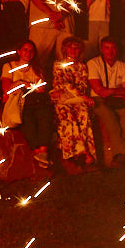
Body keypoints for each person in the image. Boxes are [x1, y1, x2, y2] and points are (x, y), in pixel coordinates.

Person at [1, 40, 54, 169]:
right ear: (19, 51)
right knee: (27, 117)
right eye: (25, 49)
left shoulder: (36, 68)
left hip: (36, 100)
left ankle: (42, 151)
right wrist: (23, 83)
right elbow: (7, 89)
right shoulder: (9, 66)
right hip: (20, 101)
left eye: (31, 50)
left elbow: (41, 89)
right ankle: (38, 152)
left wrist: (21, 84)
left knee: (45, 115)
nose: (28, 53)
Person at [49, 36, 98, 170]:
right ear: (65, 49)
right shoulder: (59, 64)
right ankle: (80, 152)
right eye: (70, 47)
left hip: (77, 98)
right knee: (68, 115)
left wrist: (81, 96)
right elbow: (64, 84)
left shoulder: (82, 66)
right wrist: (81, 95)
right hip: (63, 98)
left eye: (77, 47)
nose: (73, 50)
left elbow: (82, 85)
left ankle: (84, 152)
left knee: (83, 114)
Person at [88, 36, 125, 167]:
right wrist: (118, 90)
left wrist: (112, 92)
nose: (110, 51)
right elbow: (99, 90)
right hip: (98, 99)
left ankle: (121, 154)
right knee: (109, 118)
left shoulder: (124, 66)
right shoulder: (93, 63)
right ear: (102, 49)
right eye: (107, 48)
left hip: (118, 99)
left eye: (113, 48)